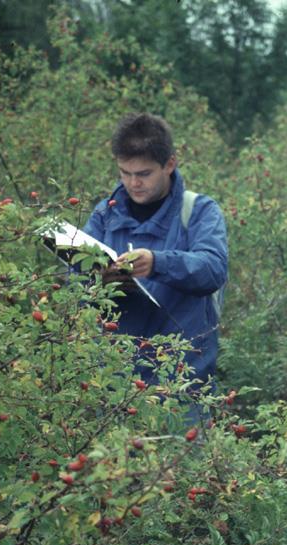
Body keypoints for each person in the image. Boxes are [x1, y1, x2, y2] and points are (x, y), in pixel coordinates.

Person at [83, 113, 228, 398]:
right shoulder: (105, 213)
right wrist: (97, 277)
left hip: (183, 384)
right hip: (113, 384)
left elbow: (213, 269)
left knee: (181, 443)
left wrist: (158, 263)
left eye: (144, 174)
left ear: (170, 164)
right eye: (125, 173)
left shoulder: (199, 211)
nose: (133, 183)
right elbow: (72, 282)